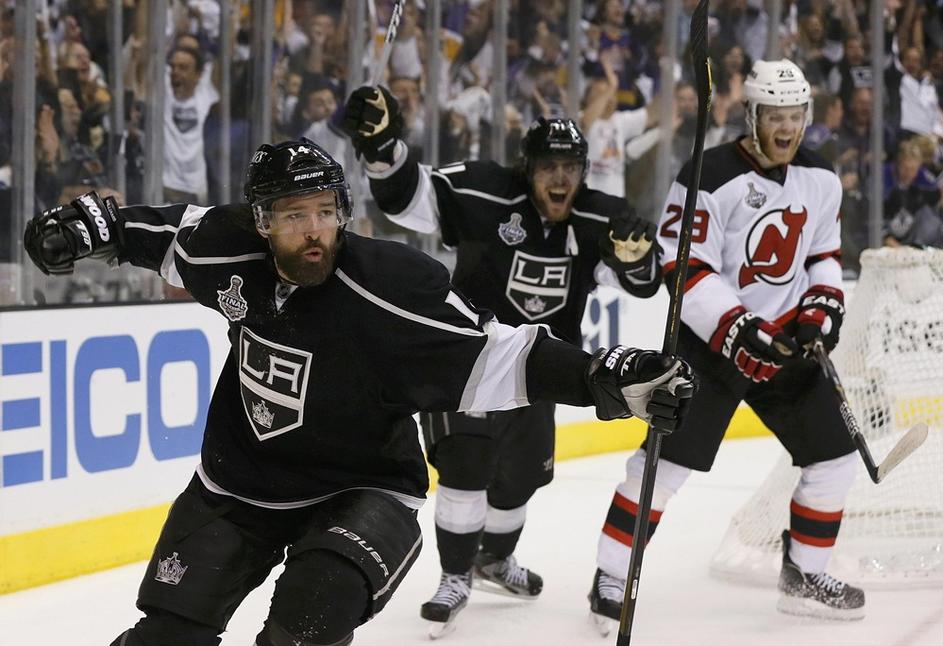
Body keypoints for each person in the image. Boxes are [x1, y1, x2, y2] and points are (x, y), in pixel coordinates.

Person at [21, 139, 695, 646]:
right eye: (294, 215)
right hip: (237, 483)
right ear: (261, 221)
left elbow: (500, 353)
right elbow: (162, 232)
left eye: (325, 211)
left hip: (362, 489)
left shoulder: (391, 287)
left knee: (302, 630)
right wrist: (91, 230)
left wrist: (605, 377)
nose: (314, 229)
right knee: (166, 636)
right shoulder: (224, 246)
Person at [342, 86, 665, 633]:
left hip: (541, 369)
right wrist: (382, 147)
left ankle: (493, 559)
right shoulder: (483, 191)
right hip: (466, 359)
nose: (560, 179)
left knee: (520, 478)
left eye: (570, 168)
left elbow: (642, 282)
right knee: (466, 465)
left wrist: (639, 260)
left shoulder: (599, 216)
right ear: (527, 167)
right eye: (548, 167)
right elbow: (407, 198)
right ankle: (455, 575)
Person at [587, 58, 866, 631]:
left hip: (783, 343)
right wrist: (736, 327)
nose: (786, 127)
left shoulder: (820, 178)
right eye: (775, 116)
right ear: (752, 115)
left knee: (835, 457)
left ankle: (805, 573)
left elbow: (823, 256)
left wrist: (821, 308)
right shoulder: (708, 174)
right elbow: (684, 268)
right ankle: (612, 575)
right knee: (661, 468)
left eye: (795, 115)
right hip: (709, 350)